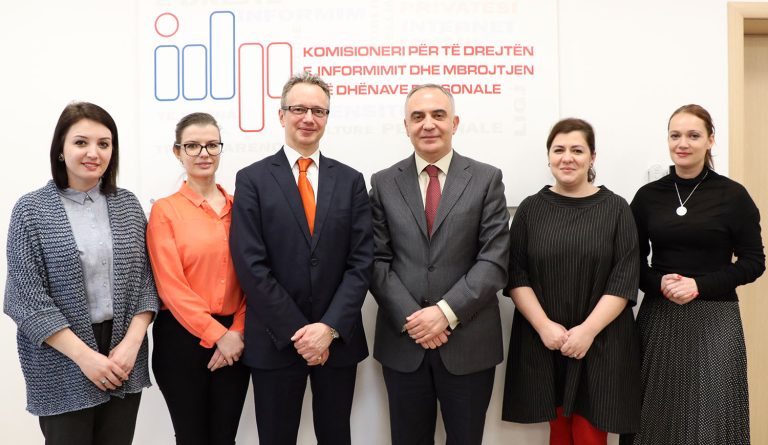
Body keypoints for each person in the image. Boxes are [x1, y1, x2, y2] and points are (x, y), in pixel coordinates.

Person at [229, 72, 373, 445]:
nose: (308, 118)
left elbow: (361, 263)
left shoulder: (351, 181)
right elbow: (250, 265)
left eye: (318, 111)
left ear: (327, 117)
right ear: (281, 115)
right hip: (275, 340)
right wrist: (301, 334)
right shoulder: (252, 179)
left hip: (336, 342)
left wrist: (327, 329)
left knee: (336, 436)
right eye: (298, 109)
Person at [4, 102, 159, 445]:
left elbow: (147, 282)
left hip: (122, 353)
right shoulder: (31, 210)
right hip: (61, 356)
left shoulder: (128, 205)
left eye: (104, 144)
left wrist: (131, 345)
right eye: (81, 142)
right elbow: (25, 299)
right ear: (60, 149)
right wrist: (85, 358)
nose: (93, 152)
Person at [369, 84, 510, 445]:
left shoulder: (486, 179)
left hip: (469, 343)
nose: (428, 124)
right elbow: (376, 260)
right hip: (405, 343)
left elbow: (493, 260)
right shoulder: (383, 183)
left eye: (438, 115)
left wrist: (444, 313)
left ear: (454, 123)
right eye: (417, 116)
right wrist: (416, 320)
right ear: (406, 126)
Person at [620, 105, 765, 445]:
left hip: (716, 318)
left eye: (693, 135)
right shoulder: (647, 197)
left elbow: (753, 262)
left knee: (710, 414)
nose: (682, 143)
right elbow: (630, 262)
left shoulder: (733, 195)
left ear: (710, 140)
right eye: (675, 135)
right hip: (660, 315)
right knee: (654, 415)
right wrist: (659, 284)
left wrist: (699, 285)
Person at [502, 118, 641, 445]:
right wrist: (545, 327)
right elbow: (516, 274)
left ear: (592, 157)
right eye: (559, 150)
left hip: (602, 340)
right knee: (559, 434)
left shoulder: (616, 208)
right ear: (548, 156)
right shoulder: (530, 209)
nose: (567, 158)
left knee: (591, 434)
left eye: (577, 150)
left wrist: (587, 331)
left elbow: (624, 279)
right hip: (546, 339)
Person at [146, 112, 249, 444]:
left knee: (225, 438)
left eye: (211, 145)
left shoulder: (242, 208)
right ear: (177, 152)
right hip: (181, 339)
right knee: (192, 437)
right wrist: (218, 335)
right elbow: (170, 286)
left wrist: (237, 331)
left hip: (236, 337)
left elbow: (256, 276)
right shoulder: (165, 210)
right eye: (192, 146)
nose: (204, 153)